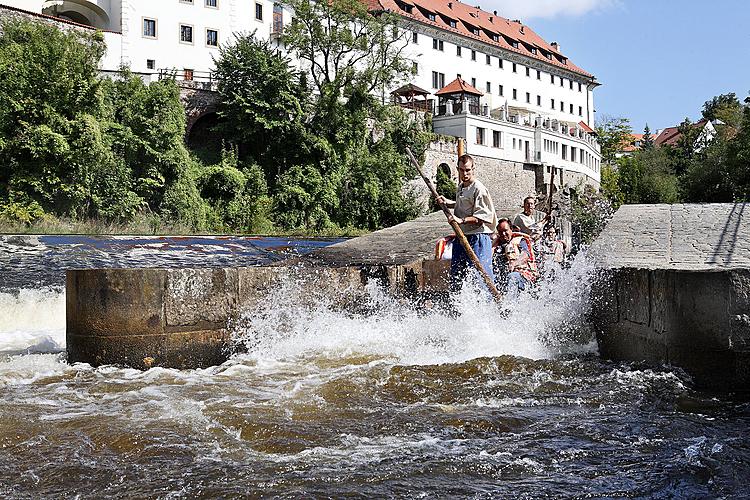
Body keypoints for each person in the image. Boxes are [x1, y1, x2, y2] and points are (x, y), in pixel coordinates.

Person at [436, 154, 497, 291]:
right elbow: (462, 204)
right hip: (462, 235)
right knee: (457, 275)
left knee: (479, 277)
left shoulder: (479, 189)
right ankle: (459, 308)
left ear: (473, 169)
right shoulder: (461, 187)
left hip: (478, 236)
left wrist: (460, 220)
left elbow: (481, 218)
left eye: (468, 170)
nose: (465, 173)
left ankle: (486, 306)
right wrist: (447, 202)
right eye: (462, 170)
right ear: (458, 169)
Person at [492, 218, 538, 300]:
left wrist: (514, 263)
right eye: (500, 232)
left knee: (513, 277)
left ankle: (509, 308)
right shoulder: (496, 245)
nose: (503, 234)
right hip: (504, 278)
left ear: (511, 229)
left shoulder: (520, 240)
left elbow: (526, 254)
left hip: (523, 277)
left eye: (505, 230)